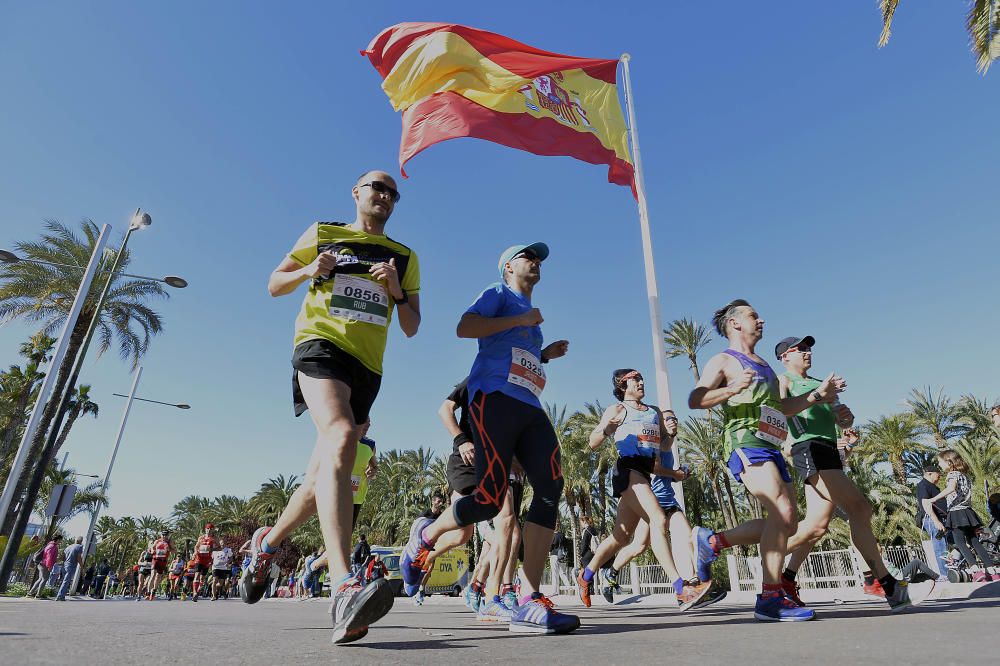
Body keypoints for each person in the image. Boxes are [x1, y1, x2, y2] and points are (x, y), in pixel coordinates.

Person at [242, 170, 419, 646]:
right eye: (375, 187)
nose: (384, 195)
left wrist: (397, 291)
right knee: (342, 436)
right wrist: (308, 271)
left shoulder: (404, 257)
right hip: (320, 348)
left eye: (392, 192)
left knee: (317, 479)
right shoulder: (324, 234)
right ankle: (343, 585)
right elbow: (274, 284)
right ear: (357, 193)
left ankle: (267, 545)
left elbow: (412, 325)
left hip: (368, 369)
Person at [402, 242, 579, 635]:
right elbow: (465, 328)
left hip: (529, 406)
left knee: (551, 486)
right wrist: (518, 322)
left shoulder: (532, 322)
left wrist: (543, 353)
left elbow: (516, 354)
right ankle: (426, 537)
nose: (535, 261)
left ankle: (530, 600)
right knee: (487, 502)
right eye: (527, 256)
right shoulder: (498, 294)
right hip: (492, 400)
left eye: (538, 258)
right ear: (507, 268)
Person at [688, 300, 844, 622]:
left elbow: (781, 410)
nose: (761, 320)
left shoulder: (764, 366)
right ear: (734, 324)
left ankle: (713, 541)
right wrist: (731, 388)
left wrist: (819, 396)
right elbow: (696, 399)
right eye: (753, 316)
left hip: (770, 443)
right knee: (782, 510)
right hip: (744, 440)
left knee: (786, 523)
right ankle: (770, 597)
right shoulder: (724, 360)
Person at [772, 335, 933, 611]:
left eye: (810, 348)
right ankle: (888, 585)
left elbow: (842, 417)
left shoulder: (820, 382)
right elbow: (781, 408)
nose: (808, 352)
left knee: (816, 527)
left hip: (829, 448)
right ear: (785, 356)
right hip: (808, 448)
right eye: (801, 349)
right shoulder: (783, 380)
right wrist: (817, 396)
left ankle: (780, 572)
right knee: (859, 509)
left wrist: (845, 417)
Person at [579, 370, 711, 611]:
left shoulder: (654, 412)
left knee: (621, 537)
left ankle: (586, 576)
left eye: (641, 379)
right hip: (627, 469)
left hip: (646, 472)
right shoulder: (617, 410)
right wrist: (607, 428)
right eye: (635, 380)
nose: (641, 383)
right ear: (622, 385)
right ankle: (681, 588)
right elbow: (592, 442)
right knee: (658, 519)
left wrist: (670, 434)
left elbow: (663, 446)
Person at [600, 409, 726, 608]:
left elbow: (666, 459)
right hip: (651, 501)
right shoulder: (653, 443)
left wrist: (680, 471)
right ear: (659, 423)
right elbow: (654, 467)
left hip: (669, 501)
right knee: (639, 546)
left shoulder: (667, 443)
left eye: (675, 418)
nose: (673, 421)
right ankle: (611, 572)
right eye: (668, 419)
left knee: (686, 537)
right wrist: (675, 473)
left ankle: (690, 585)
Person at [926, 449, 1000, 582]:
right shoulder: (964, 475)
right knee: (975, 542)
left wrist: (933, 499)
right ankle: (992, 571)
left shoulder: (952, 474)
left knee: (960, 542)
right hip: (968, 511)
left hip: (956, 512)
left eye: (940, 462)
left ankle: (976, 571)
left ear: (949, 462)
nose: (940, 465)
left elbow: (951, 488)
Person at [916, 464, 950, 577]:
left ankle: (951, 572)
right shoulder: (923, 485)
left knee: (947, 546)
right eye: (938, 475)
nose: (939, 477)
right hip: (933, 520)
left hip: (941, 519)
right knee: (940, 548)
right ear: (929, 474)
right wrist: (936, 521)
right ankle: (945, 575)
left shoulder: (931, 486)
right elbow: (926, 504)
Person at [191, 524, 218, 602]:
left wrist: (211, 549)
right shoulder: (201, 538)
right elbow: (196, 546)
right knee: (196, 575)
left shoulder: (214, 539)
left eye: (210, 528)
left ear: (213, 530)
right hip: (199, 559)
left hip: (207, 560)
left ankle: (199, 589)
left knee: (202, 578)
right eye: (207, 528)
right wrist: (195, 552)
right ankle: (194, 593)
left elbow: (220, 547)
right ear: (205, 529)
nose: (209, 530)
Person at [146, 530, 173, 600]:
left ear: (168, 535)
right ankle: (148, 593)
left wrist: (169, 549)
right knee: (153, 575)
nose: (164, 536)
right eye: (163, 535)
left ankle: (153, 591)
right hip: (155, 560)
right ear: (161, 535)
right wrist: (152, 550)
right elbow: (152, 547)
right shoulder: (157, 541)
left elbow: (174, 550)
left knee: (158, 576)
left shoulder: (169, 542)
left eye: (166, 535)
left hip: (163, 561)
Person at [55, 536, 84, 601]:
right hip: (71, 566)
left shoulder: (68, 547)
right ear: (81, 541)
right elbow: (79, 557)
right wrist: (82, 566)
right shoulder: (79, 547)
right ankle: (60, 596)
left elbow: (63, 557)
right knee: (66, 582)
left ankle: (60, 595)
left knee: (63, 581)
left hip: (64, 566)